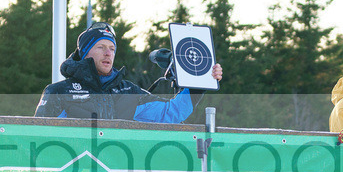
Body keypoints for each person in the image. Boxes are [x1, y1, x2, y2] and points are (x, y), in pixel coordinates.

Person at [34, 21, 222, 121]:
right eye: (100, 47)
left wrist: (200, 79)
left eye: (112, 48)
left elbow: (172, 113)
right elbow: (39, 139)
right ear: (84, 52)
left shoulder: (128, 91)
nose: (108, 53)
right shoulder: (58, 92)